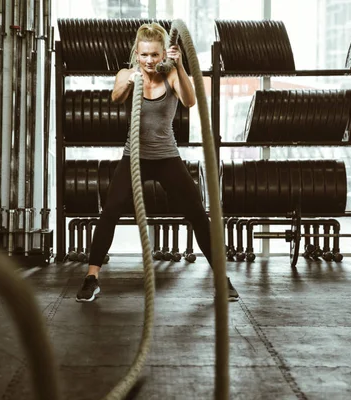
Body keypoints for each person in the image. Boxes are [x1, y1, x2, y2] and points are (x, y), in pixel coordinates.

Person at [76, 22, 239, 303]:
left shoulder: (172, 75)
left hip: (166, 157)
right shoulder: (127, 74)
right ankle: (92, 278)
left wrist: (181, 67)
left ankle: (221, 279)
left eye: (154, 55)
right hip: (134, 157)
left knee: (198, 214)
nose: (149, 61)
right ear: (136, 54)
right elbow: (115, 98)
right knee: (111, 210)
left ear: (164, 53)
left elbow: (189, 101)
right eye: (144, 55)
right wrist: (128, 82)